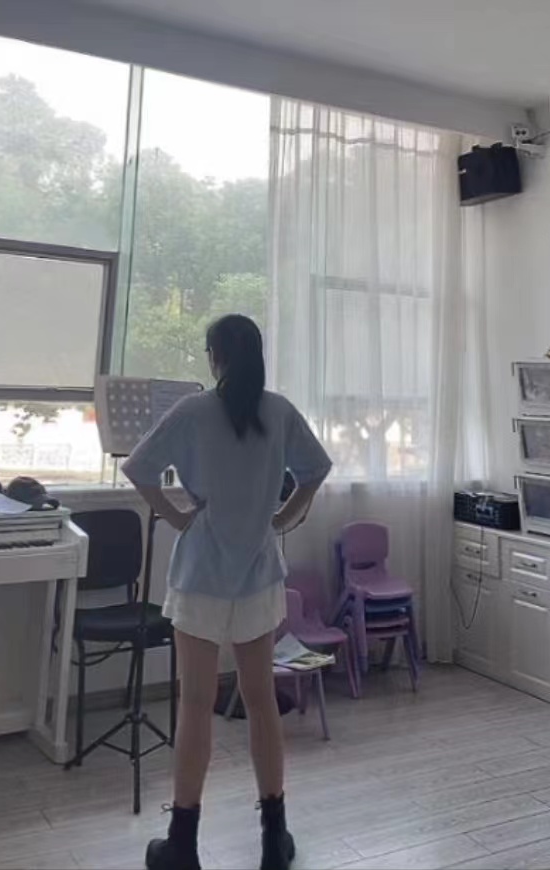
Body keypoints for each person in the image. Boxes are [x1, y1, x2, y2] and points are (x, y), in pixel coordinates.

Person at [122, 314, 332, 870]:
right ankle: (273, 838)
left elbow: (138, 468)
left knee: (194, 704)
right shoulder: (279, 411)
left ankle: (183, 842)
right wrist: (282, 517)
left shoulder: (192, 411)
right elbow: (316, 470)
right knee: (261, 701)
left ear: (215, 357)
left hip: (201, 577)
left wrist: (175, 516)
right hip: (258, 573)